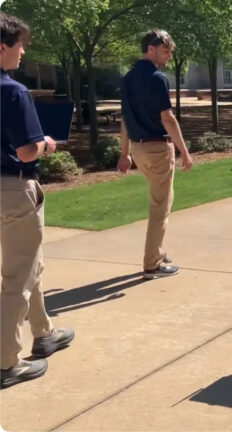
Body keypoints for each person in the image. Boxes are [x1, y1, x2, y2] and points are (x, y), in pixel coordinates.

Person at [1, 12, 75, 389]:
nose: (23, 51)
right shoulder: (12, 91)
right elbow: (28, 151)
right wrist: (47, 143)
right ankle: (7, 362)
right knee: (17, 276)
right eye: (19, 45)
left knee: (31, 264)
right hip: (13, 188)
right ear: (2, 46)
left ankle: (43, 332)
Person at [118, 30, 193, 280]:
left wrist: (125, 153)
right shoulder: (157, 78)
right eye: (165, 50)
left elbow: (125, 120)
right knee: (160, 207)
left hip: (139, 150)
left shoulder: (127, 79)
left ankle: (157, 251)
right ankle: (152, 265)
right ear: (151, 49)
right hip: (158, 149)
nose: (169, 55)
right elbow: (167, 118)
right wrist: (185, 151)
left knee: (160, 201)